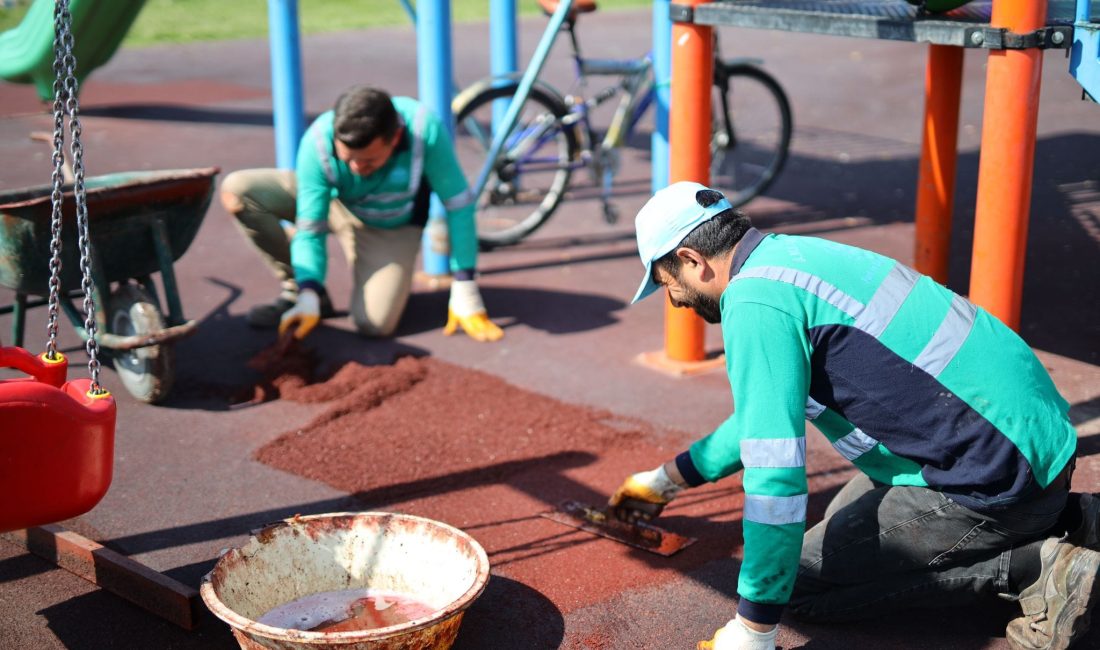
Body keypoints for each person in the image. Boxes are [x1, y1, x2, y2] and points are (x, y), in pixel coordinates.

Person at [610, 181, 1098, 650]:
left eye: (667, 283)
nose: (674, 300)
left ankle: (1036, 567)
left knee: (797, 584)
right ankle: (1077, 517)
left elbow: (775, 475)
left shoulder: (754, 301)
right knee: (839, 528)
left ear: (692, 260)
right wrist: (666, 480)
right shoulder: (792, 255)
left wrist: (754, 628)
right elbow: (760, 420)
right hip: (1034, 443)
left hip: (994, 482)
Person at [220, 85, 502, 342]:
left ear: (394, 140)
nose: (356, 168)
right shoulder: (317, 142)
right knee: (240, 190)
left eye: (368, 161)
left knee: (374, 325)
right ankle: (301, 292)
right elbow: (310, 227)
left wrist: (465, 282)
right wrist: (309, 288)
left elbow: (459, 205)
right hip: (335, 202)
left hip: (388, 225)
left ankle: (361, 277)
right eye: (347, 158)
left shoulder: (422, 130)